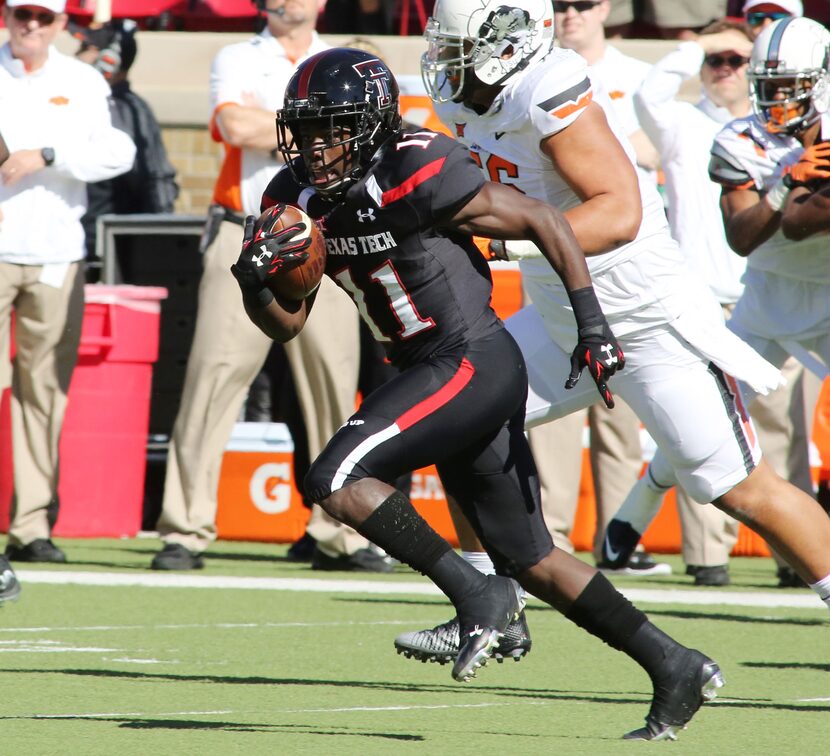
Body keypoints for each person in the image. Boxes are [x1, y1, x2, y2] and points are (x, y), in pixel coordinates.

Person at [235, 45, 724, 741]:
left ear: (371, 125)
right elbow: (287, 326)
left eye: (334, 129)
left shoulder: (417, 164)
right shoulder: (294, 199)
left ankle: (478, 595)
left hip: (470, 358)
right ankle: (674, 666)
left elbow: (547, 220)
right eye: (307, 131)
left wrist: (593, 325)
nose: (318, 147)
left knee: (335, 475)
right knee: (532, 557)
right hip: (430, 371)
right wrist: (256, 278)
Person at [393, 0, 830, 674]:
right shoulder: (467, 99)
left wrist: (500, 246)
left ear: (506, 42)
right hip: (560, 315)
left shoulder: (546, 90)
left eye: (457, 47)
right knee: (457, 418)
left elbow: (619, 212)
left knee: (742, 491)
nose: (445, 63)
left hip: (644, 318)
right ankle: (486, 602)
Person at [149, 0, 387, 572]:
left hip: (324, 238)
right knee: (212, 383)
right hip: (245, 229)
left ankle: (342, 531)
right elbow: (235, 126)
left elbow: (365, 141)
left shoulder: (345, 59)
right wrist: (326, 133)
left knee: (335, 393)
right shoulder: (236, 54)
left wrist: (278, 128)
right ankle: (184, 527)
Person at [604, 16, 830, 592]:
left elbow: (805, 224)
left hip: (828, 296)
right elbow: (745, 235)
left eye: (790, 87)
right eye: (769, 86)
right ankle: (631, 519)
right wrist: (784, 185)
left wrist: (785, 196)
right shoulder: (741, 137)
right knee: (703, 418)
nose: (775, 100)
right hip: (764, 296)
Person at [522, 0, 669, 577]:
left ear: (606, 7)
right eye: (560, 5)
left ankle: (619, 540)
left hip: (618, 260)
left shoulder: (632, 75)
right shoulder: (528, 75)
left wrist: (594, 126)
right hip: (555, 265)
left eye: (582, 3)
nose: (571, 13)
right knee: (555, 411)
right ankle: (551, 538)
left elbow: (653, 155)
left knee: (620, 415)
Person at [0, 0, 136, 564]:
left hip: (55, 251)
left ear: (60, 24)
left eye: (42, 15)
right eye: (20, 13)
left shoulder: (80, 79)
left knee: (43, 392)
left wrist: (47, 155)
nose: (30, 24)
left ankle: (31, 524)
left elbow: (117, 151)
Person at [71, 19, 179, 272]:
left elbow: (156, 181)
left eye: (86, 48)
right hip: (74, 242)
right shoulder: (77, 101)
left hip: (104, 252)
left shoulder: (127, 110)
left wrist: (159, 243)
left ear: (110, 60)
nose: (76, 55)